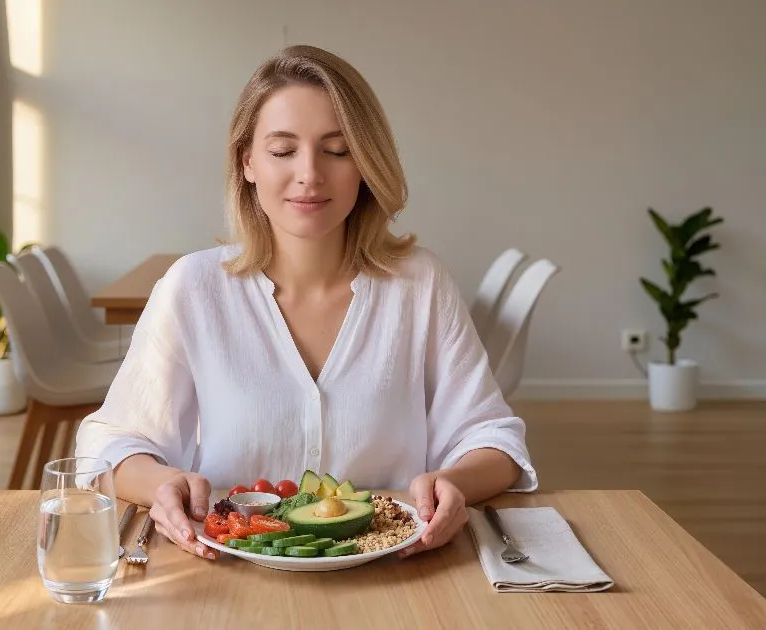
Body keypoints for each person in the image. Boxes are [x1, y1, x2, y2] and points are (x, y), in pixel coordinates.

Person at [75, 44, 538, 561]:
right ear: (247, 161)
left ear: (365, 164)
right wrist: (161, 483)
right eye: (282, 150)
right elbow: (109, 442)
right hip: (227, 575)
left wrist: (457, 482)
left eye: (337, 150)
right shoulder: (192, 288)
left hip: (395, 574)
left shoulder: (420, 284)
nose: (310, 174)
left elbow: (494, 437)